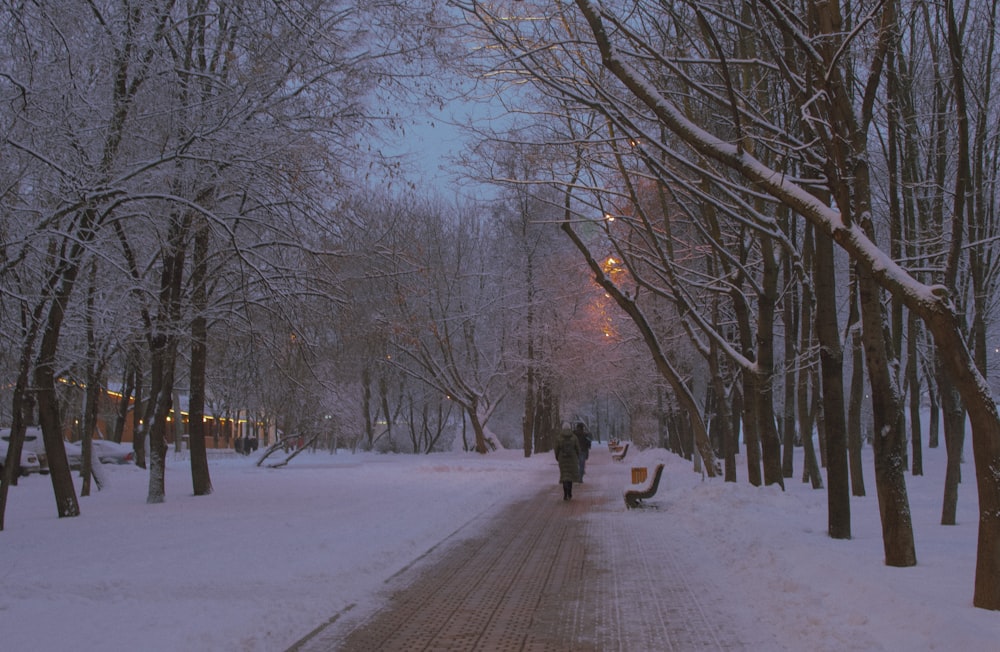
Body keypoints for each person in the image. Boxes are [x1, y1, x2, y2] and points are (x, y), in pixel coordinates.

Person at [554, 425, 581, 500]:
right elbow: (577, 448)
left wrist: (557, 457)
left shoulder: (559, 437)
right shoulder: (574, 437)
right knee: (570, 476)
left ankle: (565, 494)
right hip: (572, 458)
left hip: (562, 458)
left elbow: (556, 449)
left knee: (564, 475)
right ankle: (570, 492)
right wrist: (577, 456)